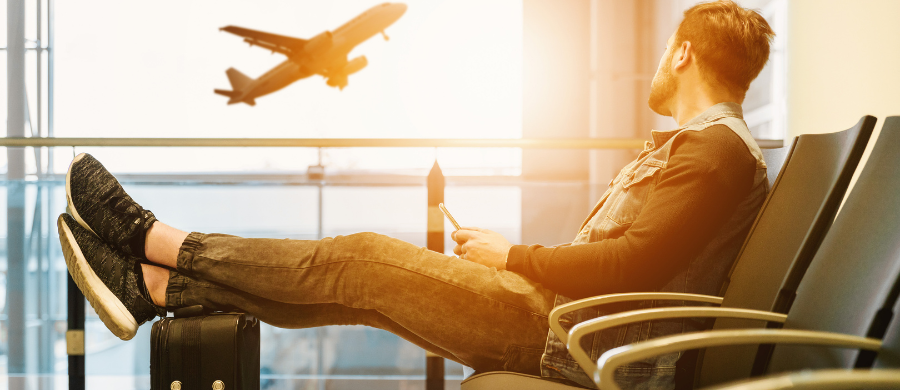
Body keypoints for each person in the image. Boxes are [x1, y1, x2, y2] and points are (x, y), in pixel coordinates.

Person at [57, 1, 774, 388]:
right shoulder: (702, 151)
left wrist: (515, 255)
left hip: (569, 341)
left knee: (360, 259)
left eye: (662, 52)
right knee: (361, 292)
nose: (655, 64)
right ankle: (155, 289)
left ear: (682, 52)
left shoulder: (713, 153)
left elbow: (631, 268)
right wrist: (514, 258)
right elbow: (629, 260)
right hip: (566, 326)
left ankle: (153, 240)